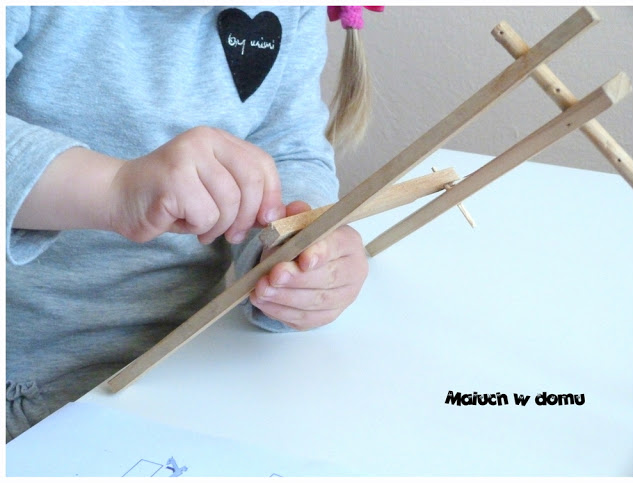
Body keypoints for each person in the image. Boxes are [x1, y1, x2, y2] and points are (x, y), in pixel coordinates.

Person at [5, 6, 376, 441]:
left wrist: (298, 248)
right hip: (21, 378)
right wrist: (116, 189)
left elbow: (288, 150)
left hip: (182, 362)